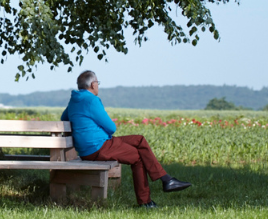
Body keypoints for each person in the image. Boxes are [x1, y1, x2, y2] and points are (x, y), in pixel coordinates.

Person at [61, 70, 191, 208]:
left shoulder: (74, 100)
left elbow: (64, 118)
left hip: (90, 148)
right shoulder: (92, 100)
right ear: (93, 84)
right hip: (98, 147)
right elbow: (111, 127)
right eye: (97, 83)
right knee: (138, 157)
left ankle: (166, 180)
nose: (98, 86)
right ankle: (146, 201)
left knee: (139, 140)